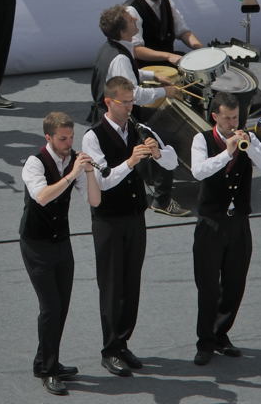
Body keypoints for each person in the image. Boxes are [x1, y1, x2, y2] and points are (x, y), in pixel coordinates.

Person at [82, 76, 178, 377]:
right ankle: (109, 349)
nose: (130, 106)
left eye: (132, 101)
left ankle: (123, 342)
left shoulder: (139, 129)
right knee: (111, 285)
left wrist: (158, 153)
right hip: (109, 222)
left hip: (135, 217)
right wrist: (131, 161)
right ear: (109, 102)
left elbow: (173, 162)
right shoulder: (92, 137)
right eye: (125, 102)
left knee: (131, 282)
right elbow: (102, 180)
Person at [190, 92, 261, 365]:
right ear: (215, 116)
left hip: (238, 223)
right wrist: (227, 152)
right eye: (226, 118)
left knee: (235, 282)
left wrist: (249, 146)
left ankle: (221, 333)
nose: (231, 123)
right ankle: (205, 341)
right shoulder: (201, 139)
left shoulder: (248, 137)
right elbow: (198, 171)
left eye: (235, 117)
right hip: (211, 224)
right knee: (208, 286)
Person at [20, 111, 101, 396]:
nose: (68, 143)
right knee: (50, 307)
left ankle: (44, 360)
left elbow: (94, 200)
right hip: (36, 243)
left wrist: (89, 173)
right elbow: (42, 197)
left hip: (61, 242)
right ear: (49, 138)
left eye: (70, 137)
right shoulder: (35, 163)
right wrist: (73, 174)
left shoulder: (74, 160)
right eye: (63, 138)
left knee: (61, 306)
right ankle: (48, 369)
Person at [90, 5, 189, 217]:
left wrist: (153, 76)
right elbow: (133, 94)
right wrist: (166, 91)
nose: (135, 20)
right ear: (124, 30)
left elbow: (127, 77)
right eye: (130, 19)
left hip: (110, 113)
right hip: (120, 117)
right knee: (164, 141)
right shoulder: (121, 58)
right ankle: (162, 200)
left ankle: (146, 176)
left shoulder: (111, 48)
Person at [125, 0, 203, 64]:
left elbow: (183, 32)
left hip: (169, 62)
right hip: (147, 70)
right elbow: (136, 50)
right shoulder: (131, 10)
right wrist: (168, 56)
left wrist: (200, 49)